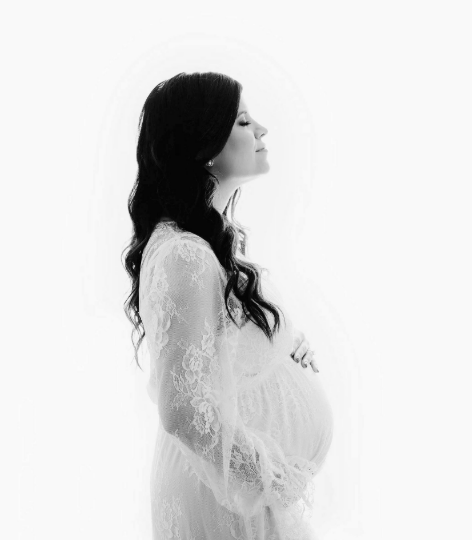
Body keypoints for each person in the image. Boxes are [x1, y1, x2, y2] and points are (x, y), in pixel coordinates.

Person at [123, 72, 334, 540]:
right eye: (242, 120)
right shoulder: (185, 254)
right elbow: (183, 410)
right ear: (205, 146)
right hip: (222, 500)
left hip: (234, 499)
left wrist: (278, 345)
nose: (261, 130)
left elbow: (216, 351)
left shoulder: (201, 246)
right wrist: (270, 480)